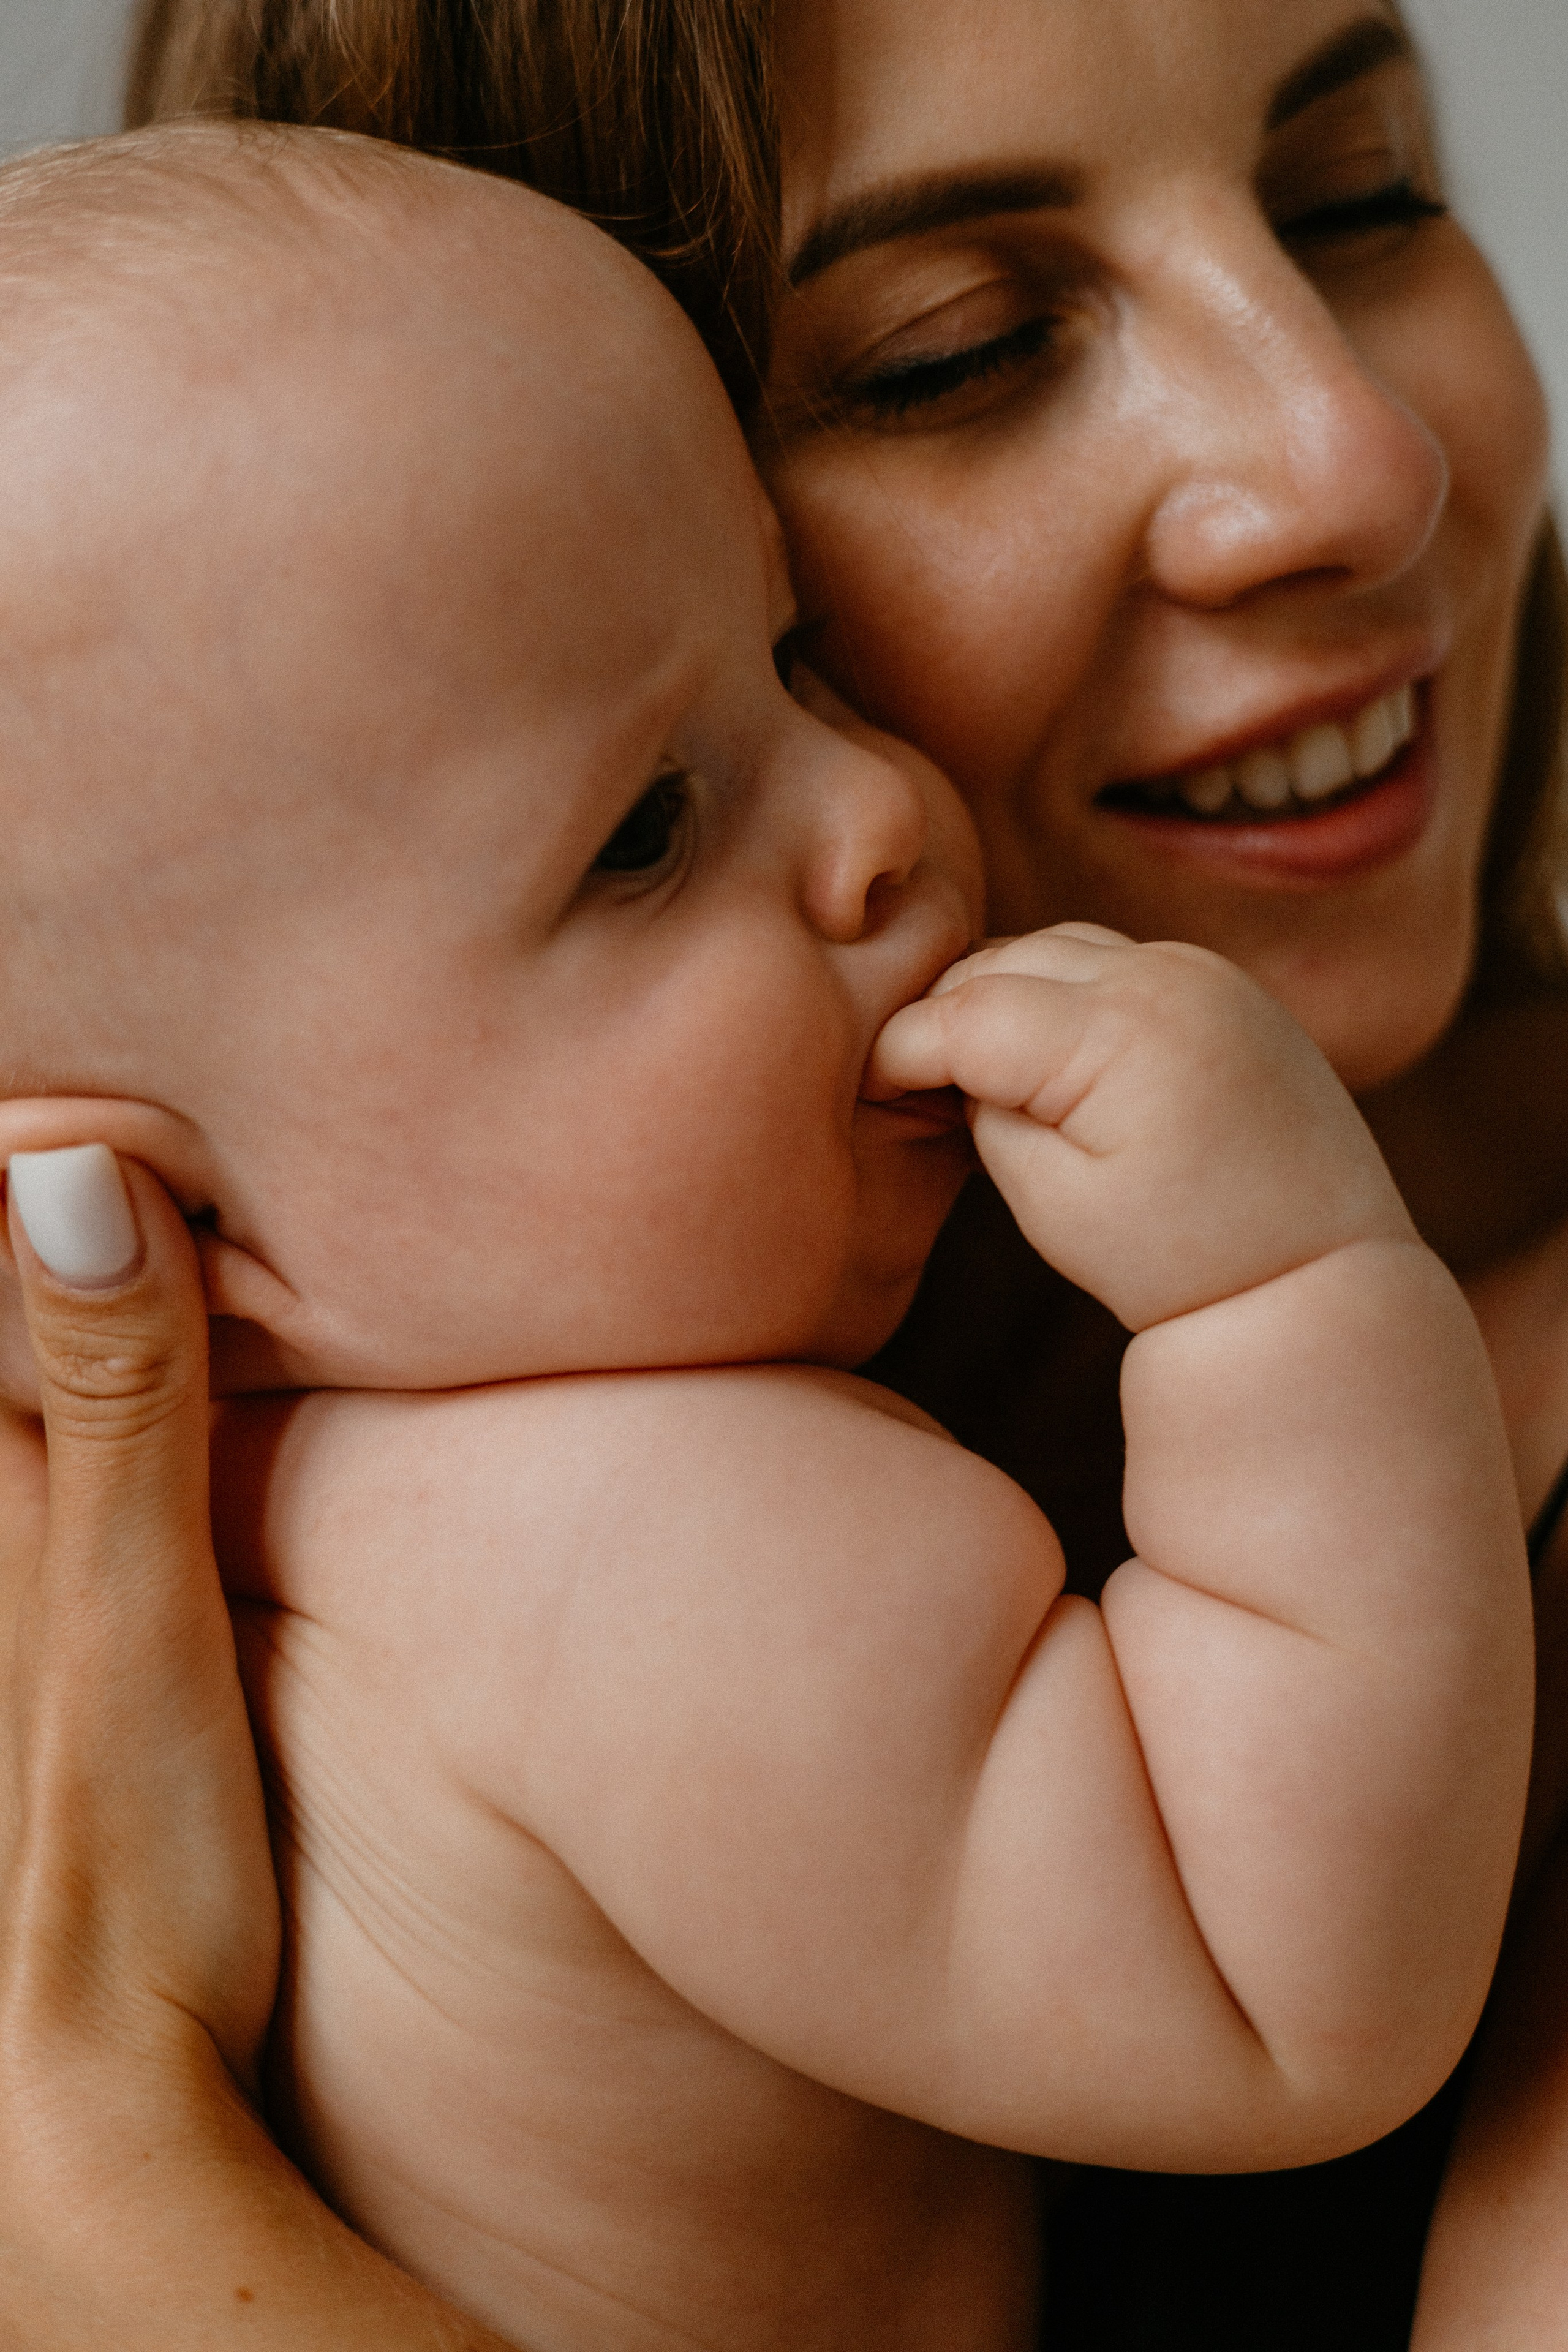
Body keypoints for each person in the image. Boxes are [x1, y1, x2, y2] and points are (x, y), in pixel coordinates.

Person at [3, 0, 1565, 2342]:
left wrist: (116, 2172)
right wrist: (1288, 1301)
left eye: (1358, 193)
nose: (1354, 464)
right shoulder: (644, 1529)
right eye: (954, 352)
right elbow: (1280, 1976)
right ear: (193, 1226)